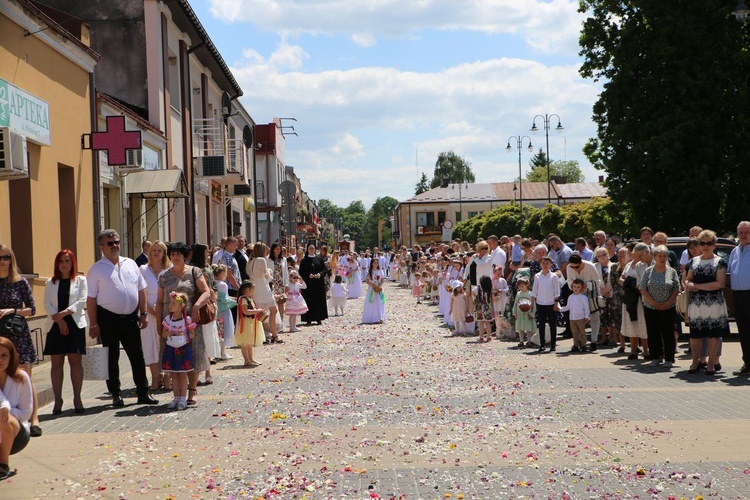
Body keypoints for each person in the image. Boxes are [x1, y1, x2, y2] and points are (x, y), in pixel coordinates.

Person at [87, 230, 158, 408]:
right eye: (110, 243)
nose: (115, 246)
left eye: (117, 242)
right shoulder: (96, 269)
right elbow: (91, 299)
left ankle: (143, 392)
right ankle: (116, 395)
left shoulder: (131, 263)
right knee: (112, 357)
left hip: (131, 318)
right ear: (101, 246)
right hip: (108, 319)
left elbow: (141, 289)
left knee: (137, 356)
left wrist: (143, 313)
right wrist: (93, 323)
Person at [156, 242, 210, 406]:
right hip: (170, 321)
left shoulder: (194, 272)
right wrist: (159, 323)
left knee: (193, 354)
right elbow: (159, 302)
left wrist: (196, 306)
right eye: (172, 254)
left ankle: (192, 391)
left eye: (178, 254)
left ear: (185, 255)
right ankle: (178, 394)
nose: (175, 257)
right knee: (174, 355)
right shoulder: (164, 276)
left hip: (191, 320)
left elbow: (206, 292)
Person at [0, 245, 41, 436]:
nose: (2, 261)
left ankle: (34, 419)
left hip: (18, 335)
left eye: (6, 257)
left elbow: (32, 310)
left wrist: (12, 310)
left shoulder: (20, 282)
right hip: (0, 338)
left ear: (11, 259)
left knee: (26, 376)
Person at [43, 250, 87, 414]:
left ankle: (77, 398)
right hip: (55, 324)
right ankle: (58, 399)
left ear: (72, 263)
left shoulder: (80, 280)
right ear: (57, 264)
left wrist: (65, 313)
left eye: (67, 260)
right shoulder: (50, 282)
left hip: (74, 323)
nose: (64, 264)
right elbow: (46, 303)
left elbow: (82, 301)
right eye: (61, 261)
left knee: (75, 361)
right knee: (56, 363)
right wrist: (59, 319)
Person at [686, 230, 730, 375]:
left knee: (713, 334)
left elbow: (719, 283)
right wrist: (688, 284)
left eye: (709, 243)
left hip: (714, 303)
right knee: (695, 334)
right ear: (699, 244)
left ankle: (711, 363)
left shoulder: (720, 261)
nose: (706, 246)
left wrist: (697, 286)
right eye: (702, 243)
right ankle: (695, 362)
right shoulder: (693, 261)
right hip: (696, 303)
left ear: (714, 245)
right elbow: (687, 278)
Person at [640, 245, 680, 368]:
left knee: (668, 333)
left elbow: (676, 288)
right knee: (653, 333)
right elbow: (643, 288)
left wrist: (668, 303)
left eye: (664, 256)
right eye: (659, 256)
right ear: (654, 257)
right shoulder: (648, 271)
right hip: (651, 307)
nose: (662, 258)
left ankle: (669, 358)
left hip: (668, 307)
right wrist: (653, 302)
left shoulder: (671, 271)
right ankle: (655, 357)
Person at [0, 338, 33, 480]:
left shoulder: (21, 377)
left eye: (3, 355)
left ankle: (3, 465)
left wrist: (6, 411)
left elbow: (26, 414)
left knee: (4, 419)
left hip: (18, 434)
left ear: (11, 356)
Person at [139, 240, 169, 391]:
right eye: (153, 250)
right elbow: (140, 292)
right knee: (150, 344)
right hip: (148, 310)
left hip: (166, 311)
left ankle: (167, 376)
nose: (156, 253)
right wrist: (150, 311)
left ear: (164, 253)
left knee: (165, 344)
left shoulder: (169, 269)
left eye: (159, 250)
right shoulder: (143, 270)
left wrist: (164, 311)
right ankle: (155, 378)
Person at [160, 292, 196, 410]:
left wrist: (185, 335)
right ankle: (176, 397)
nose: (170, 305)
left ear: (182, 306)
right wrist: (169, 332)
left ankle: (182, 398)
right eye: (170, 303)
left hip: (183, 350)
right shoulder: (168, 319)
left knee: (183, 374)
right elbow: (163, 334)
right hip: (171, 349)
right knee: (174, 375)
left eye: (173, 303)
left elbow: (192, 335)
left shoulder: (187, 320)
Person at [190, 243, 218, 385]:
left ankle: (207, 371)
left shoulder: (208, 268)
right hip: (197, 305)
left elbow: (214, 288)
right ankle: (202, 372)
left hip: (207, 305)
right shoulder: (194, 269)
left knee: (207, 339)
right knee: (200, 341)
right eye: (207, 251)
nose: (209, 253)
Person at [566, 253, 603, 351]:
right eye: (572, 267)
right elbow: (569, 280)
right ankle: (578, 342)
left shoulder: (589, 266)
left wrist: (587, 286)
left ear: (581, 262)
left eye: (576, 266)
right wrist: (574, 288)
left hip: (591, 294)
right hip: (578, 294)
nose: (574, 269)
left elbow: (597, 281)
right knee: (578, 317)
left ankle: (594, 341)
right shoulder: (569, 268)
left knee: (594, 317)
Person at [247, 242, 282, 343]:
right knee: (273, 310)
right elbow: (266, 275)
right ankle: (274, 335)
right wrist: (271, 274)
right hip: (263, 287)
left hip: (255, 287)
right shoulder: (261, 260)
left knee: (259, 312)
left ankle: (262, 335)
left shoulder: (251, 261)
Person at [729, 221, 750, 375]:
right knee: (743, 331)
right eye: (741, 232)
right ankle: (747, 363)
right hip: (738, 295)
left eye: (746, 232)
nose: (743, 235)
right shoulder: (734, 251)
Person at [532, 256, 559, 353]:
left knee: (552, 324)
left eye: (547, 263)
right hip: (540, 302)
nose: (545, 265)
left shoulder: (553, 276)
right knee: (541, 324)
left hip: (551, 302)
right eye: (543, 263)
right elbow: (535, 290)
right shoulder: (537, 276)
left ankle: (553, 344)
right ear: (540, 264)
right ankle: (542, 344)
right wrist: (532, 302)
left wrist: (556, 302)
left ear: (551, 265)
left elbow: (556, 290)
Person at [235, 280, 265, 366]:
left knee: (249, 342)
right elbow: (245, 311)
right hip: (245, 323)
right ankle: (247, 360)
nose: (253, 291)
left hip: (250, 322)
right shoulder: (243, 299)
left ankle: (251, 359)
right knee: (245, 342)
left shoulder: (249, 298)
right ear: (247, 289)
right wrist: (256, 311)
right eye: (252, 289)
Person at [299, 245, 329, 326]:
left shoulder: (319, 259)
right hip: (308, 284)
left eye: (313, 248)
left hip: (318, 284)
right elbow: (301, 271)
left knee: (318, 300)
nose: (311, 250)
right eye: (310, 248)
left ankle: (319, 318)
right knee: (308, 300)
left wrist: (320, 274)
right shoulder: (304, 260)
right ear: (307, 250)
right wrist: (308, 275)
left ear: (315, 250)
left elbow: (325, 270)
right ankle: (308, 319)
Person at [560, 278, 591, 352]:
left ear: (582, 288)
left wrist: (587, 316)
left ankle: (583, 345)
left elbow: (586, 307)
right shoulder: (570, 297)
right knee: (574, 333)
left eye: (578, 287)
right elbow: (568, 307)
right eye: (574, 287)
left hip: (580, 318)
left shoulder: (583, 297)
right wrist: (560, 309)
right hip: (572, 318)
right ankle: (576, 345)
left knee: (582, 332)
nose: (576, 288)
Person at [213, 265, 236, 358]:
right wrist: (235, 301)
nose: (226, 275)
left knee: (218, 331)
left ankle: (218, 353)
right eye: (225, 273)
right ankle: (222, 353)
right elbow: (224, 298)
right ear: (222, 273)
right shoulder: (223, 284)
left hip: (217, 310)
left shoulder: (213, 283)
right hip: (224, 310)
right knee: (224, 331)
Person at [362, 258, 386, 324]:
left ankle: (380, 317)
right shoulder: (370, 272)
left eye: (377, 263)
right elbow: (367, 281)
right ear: (372, 264)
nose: (376, 264)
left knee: (380, 302)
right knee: (372, 302)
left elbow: (383, 279)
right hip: (372, 289)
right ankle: (372, 317)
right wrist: (372, 285)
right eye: (374, 263)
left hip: (379, 288)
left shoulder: (380, 271)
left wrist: (380, 285)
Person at [513, 277, 535, 347]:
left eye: (522, 286)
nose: (521, 288)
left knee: (529, 328)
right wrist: (515, 313)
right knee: (520, 328)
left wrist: (532, 313)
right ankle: (521, 341)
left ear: (527, 285)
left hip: (528, 314)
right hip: (520, 313)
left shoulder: (530, 294)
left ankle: (529, 341)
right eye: (519, 286)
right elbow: (515, 303)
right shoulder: (518, 294)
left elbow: (533, 304)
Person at [269, 243, 289, 321]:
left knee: (281, 302)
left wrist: (286, 284)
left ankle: (281, 321)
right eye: (276, 249)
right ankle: (274, 321)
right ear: (273, 250)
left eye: (279, 249)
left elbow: (286, 272)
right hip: (272, 283)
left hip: (281, 283)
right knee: (273, 303)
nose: (278, 251)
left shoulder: (283, 259)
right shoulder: (268, 259)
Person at [473, 276, 494, 343]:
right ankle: (488, 336)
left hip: (480, 307)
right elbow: (492, 299)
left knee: (481, 322)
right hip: (487, 307)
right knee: (487, 323)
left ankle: (481, 336)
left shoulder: (478, 288)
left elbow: (473, 293)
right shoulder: (489, 290)